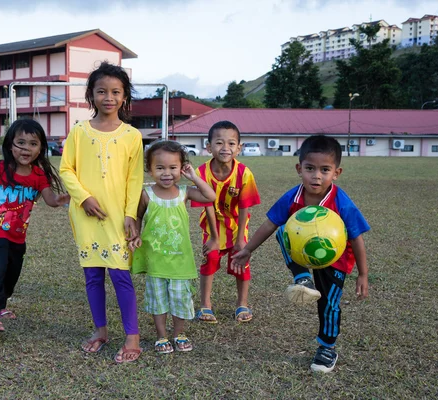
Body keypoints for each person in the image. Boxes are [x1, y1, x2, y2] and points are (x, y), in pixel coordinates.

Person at [232, 134, 370, 373]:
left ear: (336, 173)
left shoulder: (342, 201)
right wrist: (247, 250)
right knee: (283, 228)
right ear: (299, 169)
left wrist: (363, 274)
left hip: (335, 261)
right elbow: (269, 224)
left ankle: (327, 347)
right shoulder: (293, 197)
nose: (316, 176)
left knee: (328, 304)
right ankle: (302, 276)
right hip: (302, 255)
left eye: (325, 170)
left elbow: (356, 236)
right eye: (310, 168)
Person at [59, 61, 144, 364]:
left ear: (124, 97)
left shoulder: (132, 135)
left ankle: (132, 337)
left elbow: (135, 179)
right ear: (91, 95)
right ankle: (101, 331)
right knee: (93, 276)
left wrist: (131, 214)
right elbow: (66, 169)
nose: (109, 97)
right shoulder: (79, 131)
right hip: (85, 216)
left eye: (116, 92)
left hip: (118, 218)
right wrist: (83, 198)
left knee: (121, 277)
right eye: (102, 91)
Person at [0, 119, 69, 333]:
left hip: (18, 237)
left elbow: (50, 200)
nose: (27, 148)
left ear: (41, 148)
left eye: (33, 144)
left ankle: (0, 306)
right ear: (10, 145)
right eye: (21, 143)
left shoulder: (38, 175)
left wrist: (60, 200)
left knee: (11, 275)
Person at [130, 141, 216, 354]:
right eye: (160, 168)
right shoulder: (146, 194)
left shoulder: (184, 192)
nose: (166, 173)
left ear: (182, 168)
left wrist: (194, 177)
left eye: (172, 168)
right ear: (150, 170)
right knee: (158, 302)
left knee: (179, 300)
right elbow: (138, 216)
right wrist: (136, 235)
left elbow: (210, 196)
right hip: (155, 261)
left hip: (180, 262)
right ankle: (161, 336)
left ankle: (179, 333)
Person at [192, 121, 261, 323]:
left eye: (231, 144)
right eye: (219, 143)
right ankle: (205, 305)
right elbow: (206, 204)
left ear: (239, 148)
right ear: (208, 146)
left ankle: (242, 304)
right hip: (212, 225)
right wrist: (214, 237)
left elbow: (244, 207)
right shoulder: (200, 173)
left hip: (237, 225)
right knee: (210, 259)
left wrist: (241, 240)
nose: (225, 148)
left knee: (242, 261)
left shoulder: (244, 173)